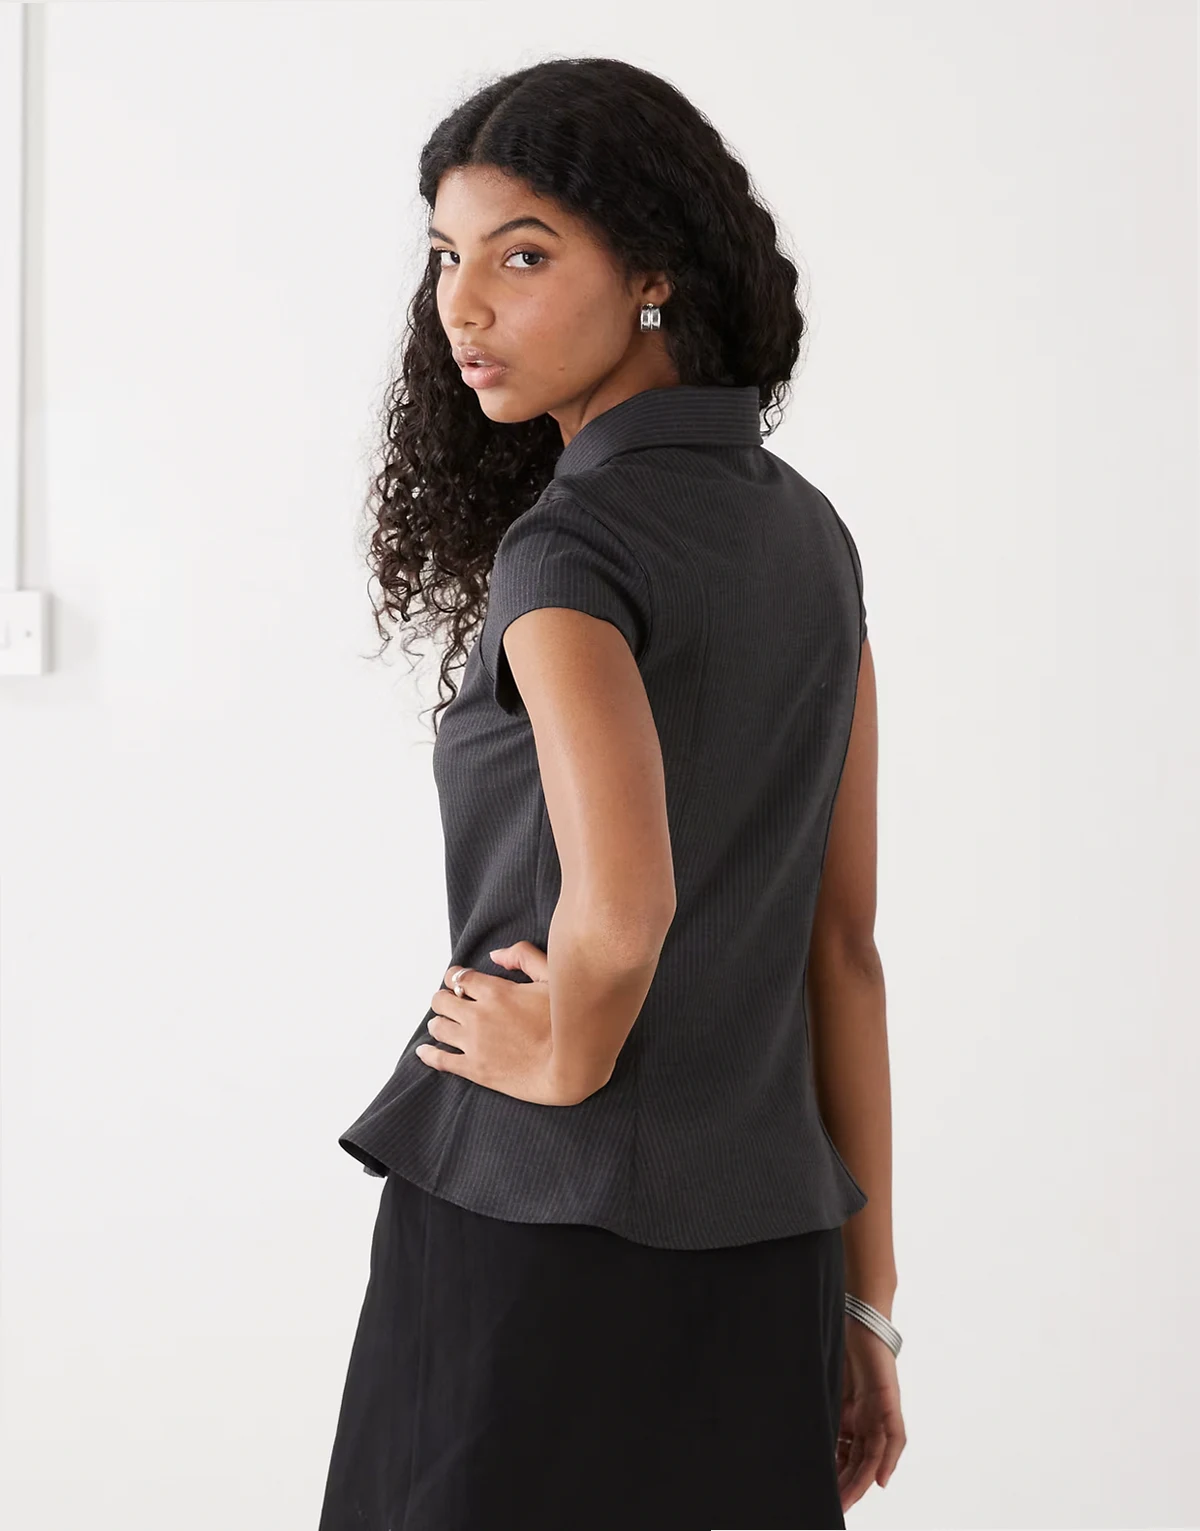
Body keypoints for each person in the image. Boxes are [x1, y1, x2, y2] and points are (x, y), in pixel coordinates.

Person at [318, 55, 905, 1531]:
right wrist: (870, 1304)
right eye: (447, 257)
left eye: (522, 256)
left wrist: (572, 1043)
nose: (462, 306)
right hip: (767, 1253)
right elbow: (843, 950)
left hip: (534, 1243)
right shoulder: (814, 539)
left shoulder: (567, 550)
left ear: (655, 272)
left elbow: (623, 907)